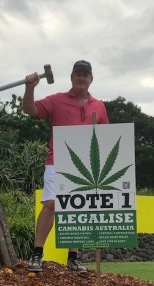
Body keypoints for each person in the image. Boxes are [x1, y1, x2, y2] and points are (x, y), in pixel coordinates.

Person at [23, 60, 109, 273]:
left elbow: (106, 136)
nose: (81, 78)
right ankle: (36, 254)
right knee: (51, 204)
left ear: (91, 79)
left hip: (87, 166)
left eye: (85, 74)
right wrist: (29, 88)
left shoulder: (99, 106)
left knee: (77, 208)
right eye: (78, 74)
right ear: (71, 78)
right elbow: (30, 110)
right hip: (57, 160)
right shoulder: (57, 100)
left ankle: (73, 257)